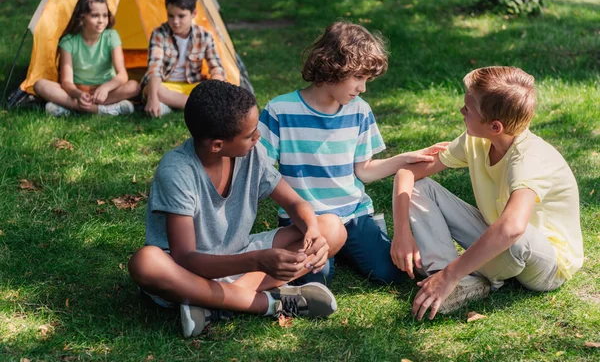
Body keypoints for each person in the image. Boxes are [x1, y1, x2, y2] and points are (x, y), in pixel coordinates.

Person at [128, 80, 347, 338]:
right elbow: (186, 257)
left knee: (332, 228)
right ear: (217, 145)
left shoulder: (250, 153)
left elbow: (295, 203)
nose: (258, 137)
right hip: (187, 272)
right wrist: (258, 260)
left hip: (238, 258)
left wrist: (311, 229)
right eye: (250, 133)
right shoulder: (177, 171)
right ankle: (270, 304)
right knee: (145, 263)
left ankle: (210, 305)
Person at [258, 21, 445, 285]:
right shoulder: (280, 110)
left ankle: (354, 242)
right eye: (358, 77)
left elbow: (364, 171)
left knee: (390, 273)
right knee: (313, 279)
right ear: (332, 66)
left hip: (354, 215)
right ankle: (339, 251)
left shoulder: (359, 111)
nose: (363, 88)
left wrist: (405, 158)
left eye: (366, 80)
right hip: (305, 223)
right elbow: (260, 168)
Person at [392, 66, 584, 320]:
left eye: (468, 109)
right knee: (420, 187)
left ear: (495, 126)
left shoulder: (529, 159)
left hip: (546, 264)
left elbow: (512, 229)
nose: (461, 111)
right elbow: (408, 173)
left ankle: (453, 276)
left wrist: (453, 272)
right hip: (501, 241)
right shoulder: (476, 140)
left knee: (517, 233)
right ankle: (451, 281)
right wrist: (402, 231)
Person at [33, 0, 139, 117]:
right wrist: (78, 94)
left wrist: (106, 88)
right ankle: (103, 110)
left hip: (105, 92)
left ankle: (70, 108)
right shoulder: (68, 41)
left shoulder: (111, 36)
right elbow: (66, 82)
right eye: (95, 15)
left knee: (134, 86)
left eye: (105, 15)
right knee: (39, 85)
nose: (101, 20)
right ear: (82, 18)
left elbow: (122, 75)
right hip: (78, 92)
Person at [142, 0, 225, 118]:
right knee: (150, 90)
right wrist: (152, 98)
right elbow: (155, 69)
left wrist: (214, 87)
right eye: (171, 16)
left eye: (181, 16)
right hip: (166, 86)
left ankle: (172, 105)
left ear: (194, 14)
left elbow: (217, 68)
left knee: (212, 87)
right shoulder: (159, 34)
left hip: (191, 86)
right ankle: (200, 106)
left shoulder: (204, 35)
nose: (175, 22)